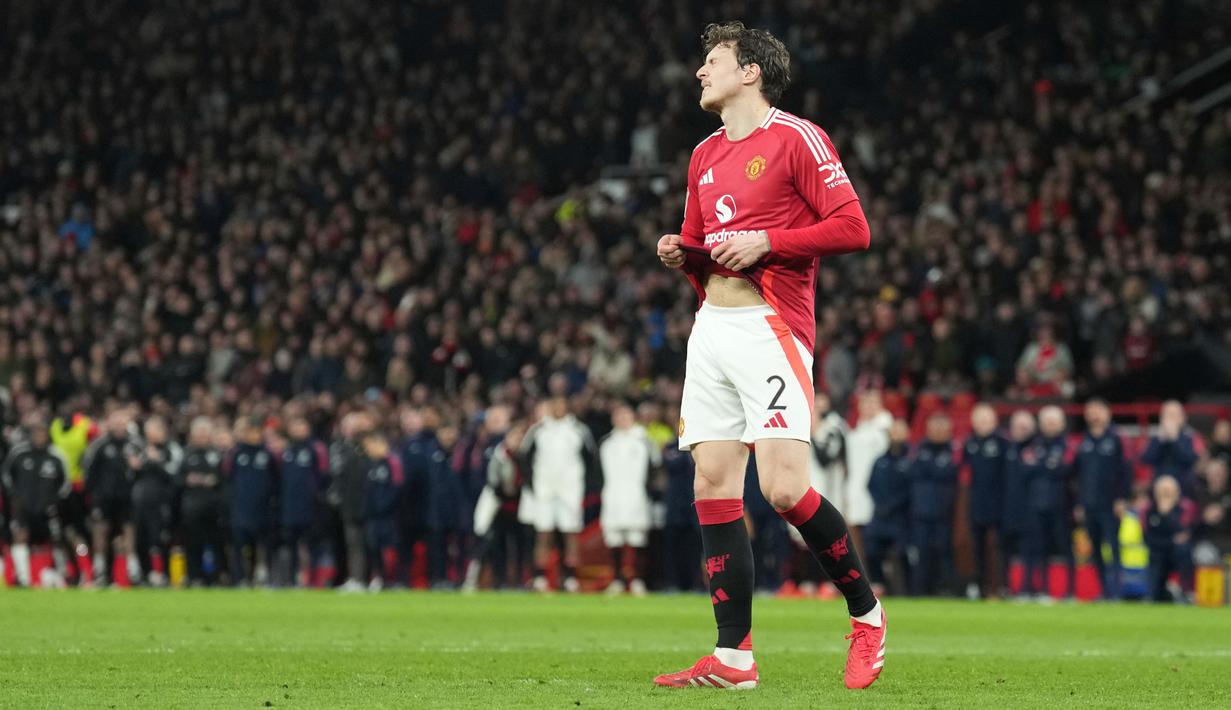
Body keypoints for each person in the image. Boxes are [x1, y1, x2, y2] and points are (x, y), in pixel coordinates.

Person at [653, 22, 880, 690]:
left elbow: (853, 228)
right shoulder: (702, 155)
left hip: (770, 326)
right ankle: (733, 658)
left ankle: (867, 616)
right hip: (711, 331)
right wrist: (680, 253)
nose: (700, 72)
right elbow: (702, 242)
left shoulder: (797, 138)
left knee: (782, 489)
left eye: (712, 61)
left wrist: (766, 243)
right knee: (712, 486)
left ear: (749, 71)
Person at [519, 395, 597, 593]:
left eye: (562, 406)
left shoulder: (578, 430)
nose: (558, 409)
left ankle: (570, 578)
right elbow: (524, 458)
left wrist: (586, 487)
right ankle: (539, 578)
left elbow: (591, 460)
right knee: (543, 532)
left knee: (570, 533)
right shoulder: (538, 430)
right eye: (555, 406)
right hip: (544, 489)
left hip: (570, 489)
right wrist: (532, 484)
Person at [1, 416, 71, 587]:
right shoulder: (19, 453)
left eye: (43, 432)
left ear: (47, 434)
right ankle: (23, 578)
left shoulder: (56, 456)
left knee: (57, 538)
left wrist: (55, 501)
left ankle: (63, 574)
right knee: (20, 536)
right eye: (36, 432)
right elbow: (6, 475)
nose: (40, 435)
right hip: (23, 506)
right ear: (32, 434)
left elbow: (65, 483)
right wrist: (14, 496)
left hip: (48, 508)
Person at [599, 403, 661, 595]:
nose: (622, 420)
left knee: (638, 539)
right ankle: (618, 579)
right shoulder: (607, 442)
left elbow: (655, 469)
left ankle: (638, 580)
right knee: (614, 539)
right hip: (613, 496)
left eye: (626, 416)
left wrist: (650, 493)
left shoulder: (644, 441)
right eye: (619, 416)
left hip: (637, 497)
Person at [1072, 399, 1131, 599]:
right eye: (1090, 411)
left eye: (1098, 410)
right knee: (1094, 548)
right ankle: (1104, 590)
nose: (1094, 415)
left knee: (1113, 546)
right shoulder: (1084, 441)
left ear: (1108, 413)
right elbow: (1079, 475)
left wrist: (1122, 498)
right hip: (1089, 503)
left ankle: (1116, 590)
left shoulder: (1116, 438)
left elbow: (1126, 470)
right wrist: (1079, 503)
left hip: (1110, 504)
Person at [82, 407, 141, 585]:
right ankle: (99, 569)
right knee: (101, 530)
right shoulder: (99, 445)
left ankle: (132, 569)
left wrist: (138, 466)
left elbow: (145, 469)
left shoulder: (135, 445)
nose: (119, 427)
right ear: (109, 424)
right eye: (116, 423)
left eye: (122, 423)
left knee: (129, 530)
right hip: (104, 497)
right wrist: (94, 494)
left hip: (128, 496)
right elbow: (88, 471)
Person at [1024, 406, 1075, 599]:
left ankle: (1070, 590)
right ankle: (1042, 589)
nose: (1050, 425)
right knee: (1039, 548)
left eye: (1053, 422)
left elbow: (1066, 469)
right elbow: (1026, 469)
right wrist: (1048, 466)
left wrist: (1042, 466)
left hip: (1062, 504)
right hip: (1037, 504)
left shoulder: (1067, 445)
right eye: (1046, 422)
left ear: (1062, 424)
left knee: (1065, 547)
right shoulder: (1034, 445)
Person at [906, 414, 958, 596]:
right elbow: (917, 472)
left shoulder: (954, 450)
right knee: (922, 553)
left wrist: (932, 468)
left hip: (945, 512)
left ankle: (946, 590)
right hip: (920, 512)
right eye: (935, 427)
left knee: (945, 552)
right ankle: (920, 591)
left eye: (942, 428)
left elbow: (947, 473)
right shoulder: (918, 449)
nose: (938, 431)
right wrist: (936, 469)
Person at [225, 416, 278, 586]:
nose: (254, 435)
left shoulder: (267, 454)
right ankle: (240, 577)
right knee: (239, 545)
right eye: (251, 432)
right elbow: (228, 478)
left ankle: (261, 575)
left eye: (257, 432)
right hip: (240, 507)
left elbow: (275, 479)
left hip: (262, 508)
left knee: (261, 544)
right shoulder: (237, 453)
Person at [129, 415, 181, 586]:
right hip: (140, 502)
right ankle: (146, 574)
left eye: (153, 429)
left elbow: (175, 474)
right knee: (140, 540)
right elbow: (132, 475)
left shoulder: (172, 449)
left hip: (162, 502)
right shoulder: (141, 448)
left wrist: (156, 461)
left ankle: (164, 574)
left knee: (161, 539)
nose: (149, 433)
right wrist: (134, 467)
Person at [963, 404, 1007, 599]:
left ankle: (1002, 587)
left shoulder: (1003, 442)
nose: (982, 423)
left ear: (994, 420)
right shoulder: (970, 443)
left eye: (986, 419)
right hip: (977, 502)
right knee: (978, 548)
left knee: (1000, 547)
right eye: (978, 419)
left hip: (999, 502)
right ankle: (980, 588)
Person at [279, 415, 329, 587]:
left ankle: (315, 580)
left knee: (313, 544)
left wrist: (316, 496)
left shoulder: (316, 448)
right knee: (291, 545)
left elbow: (324, 475)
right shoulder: (287, 451)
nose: (298, 429)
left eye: (301, 425)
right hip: (290, 506)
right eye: (295, 426)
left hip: (311, 506)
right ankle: (291, 579)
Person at [864, 419, 911, 596]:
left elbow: (911, 490)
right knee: (872, 550)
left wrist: (893, 505)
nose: (895, 436)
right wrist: (881, 505)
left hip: (902, 517)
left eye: (899, 432)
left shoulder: (911, 459)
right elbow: (870, 485)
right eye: (893, 432)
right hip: (880, 516)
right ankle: (879, 585)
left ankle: (905, 590)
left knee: (902, 553)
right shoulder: (880, 460)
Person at [177, 417, 226, 586]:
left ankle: (216, 577)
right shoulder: (186, 454)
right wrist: (188, 480)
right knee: (192, 543)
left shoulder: (218, 454)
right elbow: (177, 479)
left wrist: (213, 480)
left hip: (214, 507)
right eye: (199, 433)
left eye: (205, 433)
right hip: (191, 507)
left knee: (216, 543)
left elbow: (225, 478)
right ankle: (194, 576)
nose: (203, 436)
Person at [844, 390, 892, 538]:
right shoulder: (855, 431)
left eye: (873, 402)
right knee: (855, 533)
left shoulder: (886, 429)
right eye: (865, 402)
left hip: (878, 491)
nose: (869, 406)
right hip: (855, 488)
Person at [1141, 475, 1197, 603]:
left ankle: (1187, 593)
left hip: (1178, 553)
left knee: (1183, 549)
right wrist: (1171, 540)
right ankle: (1155, 593)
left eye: (1169, 491)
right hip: (1158, 551)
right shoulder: (1147, 509)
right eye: (1163, 491)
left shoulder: (1186, 507)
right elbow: (1148, 538)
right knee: (1156, 555)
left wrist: (1166, 514)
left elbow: (1184, 533)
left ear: (1177, 492)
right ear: (1156, 493)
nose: (1166, 495)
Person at [361, 429, 404, 591]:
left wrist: (384, 506)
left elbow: (397, 488)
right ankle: (381, 578)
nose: (368, 450)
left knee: (391, 547)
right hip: (373, 515)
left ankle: (396, 579)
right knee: (374, 547)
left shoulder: (392, 462)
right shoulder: (370, 464)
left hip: (391, 515)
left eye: (371, 446)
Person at [1000, 411, 1037, 596]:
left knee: (1029, 550)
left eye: (1024, 427)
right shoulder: (1007, 449)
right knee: (1005, 551)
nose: (1020, 430)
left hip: (1030, 508)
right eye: (1017, 426)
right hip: (1007, 508)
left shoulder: (1036, 448)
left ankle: (1027, 587)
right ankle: (1006, 586)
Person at [1141, 401, 1201, 495]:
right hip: (1159, 489)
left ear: (1183, 418)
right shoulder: (1157, 438)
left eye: (1173, 415)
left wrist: (1175, 440)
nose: (1170, 419)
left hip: (1184, 489)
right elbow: (1146, 459)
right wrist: (1160, 441)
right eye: (1167, 415)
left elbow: (1191, 459)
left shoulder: (1192, 437)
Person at [809, 392, 848, 514]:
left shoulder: (834, 428)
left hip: (830, 486)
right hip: (810, 484)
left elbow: (824, 460)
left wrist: (813, 436)